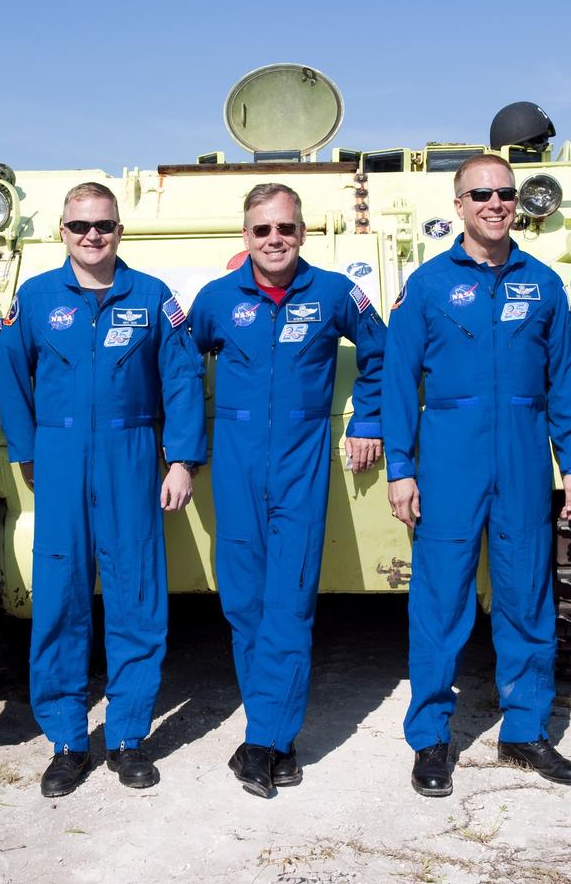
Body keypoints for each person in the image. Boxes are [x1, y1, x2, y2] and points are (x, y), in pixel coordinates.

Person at [383, 154, 571, 798]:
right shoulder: (427, 284)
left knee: (527, 595)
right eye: (481, 194)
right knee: (440, 602)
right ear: (459, 205)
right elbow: (397, 383)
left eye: (504, 193)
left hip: (524, 457)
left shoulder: (544, 283)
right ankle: (431, 739)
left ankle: (525, 730)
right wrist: (402, 468)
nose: (495, 204)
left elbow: (565, 381)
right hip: (449, 455)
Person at [0, 182, 205, 797]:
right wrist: (28, 450)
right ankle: (65, 739)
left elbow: (183, 378)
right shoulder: (34, 298)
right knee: (58, 597)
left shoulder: (153, 297)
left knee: (136, 593)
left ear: (120, 230)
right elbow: (12, 375)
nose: (93, 236)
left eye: (105, 226)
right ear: (62, 230)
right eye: (81, 225)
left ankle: (128, 734)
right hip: (58, 455)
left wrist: (183, 460)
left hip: (132, 451)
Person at [188, 183, 386, 798]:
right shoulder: (217, 299)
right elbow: (179, 364)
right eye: (261, 230)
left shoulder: (334, 292)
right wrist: (180, 447)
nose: (274, 240)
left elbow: (381, 350)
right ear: (244, 236)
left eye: (286, 229)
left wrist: (369, 418)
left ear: (303, 232)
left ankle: (268, 740)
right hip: (237, 459)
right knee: (243, 604)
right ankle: (271, 733)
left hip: (302, 459)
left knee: (290, 604)